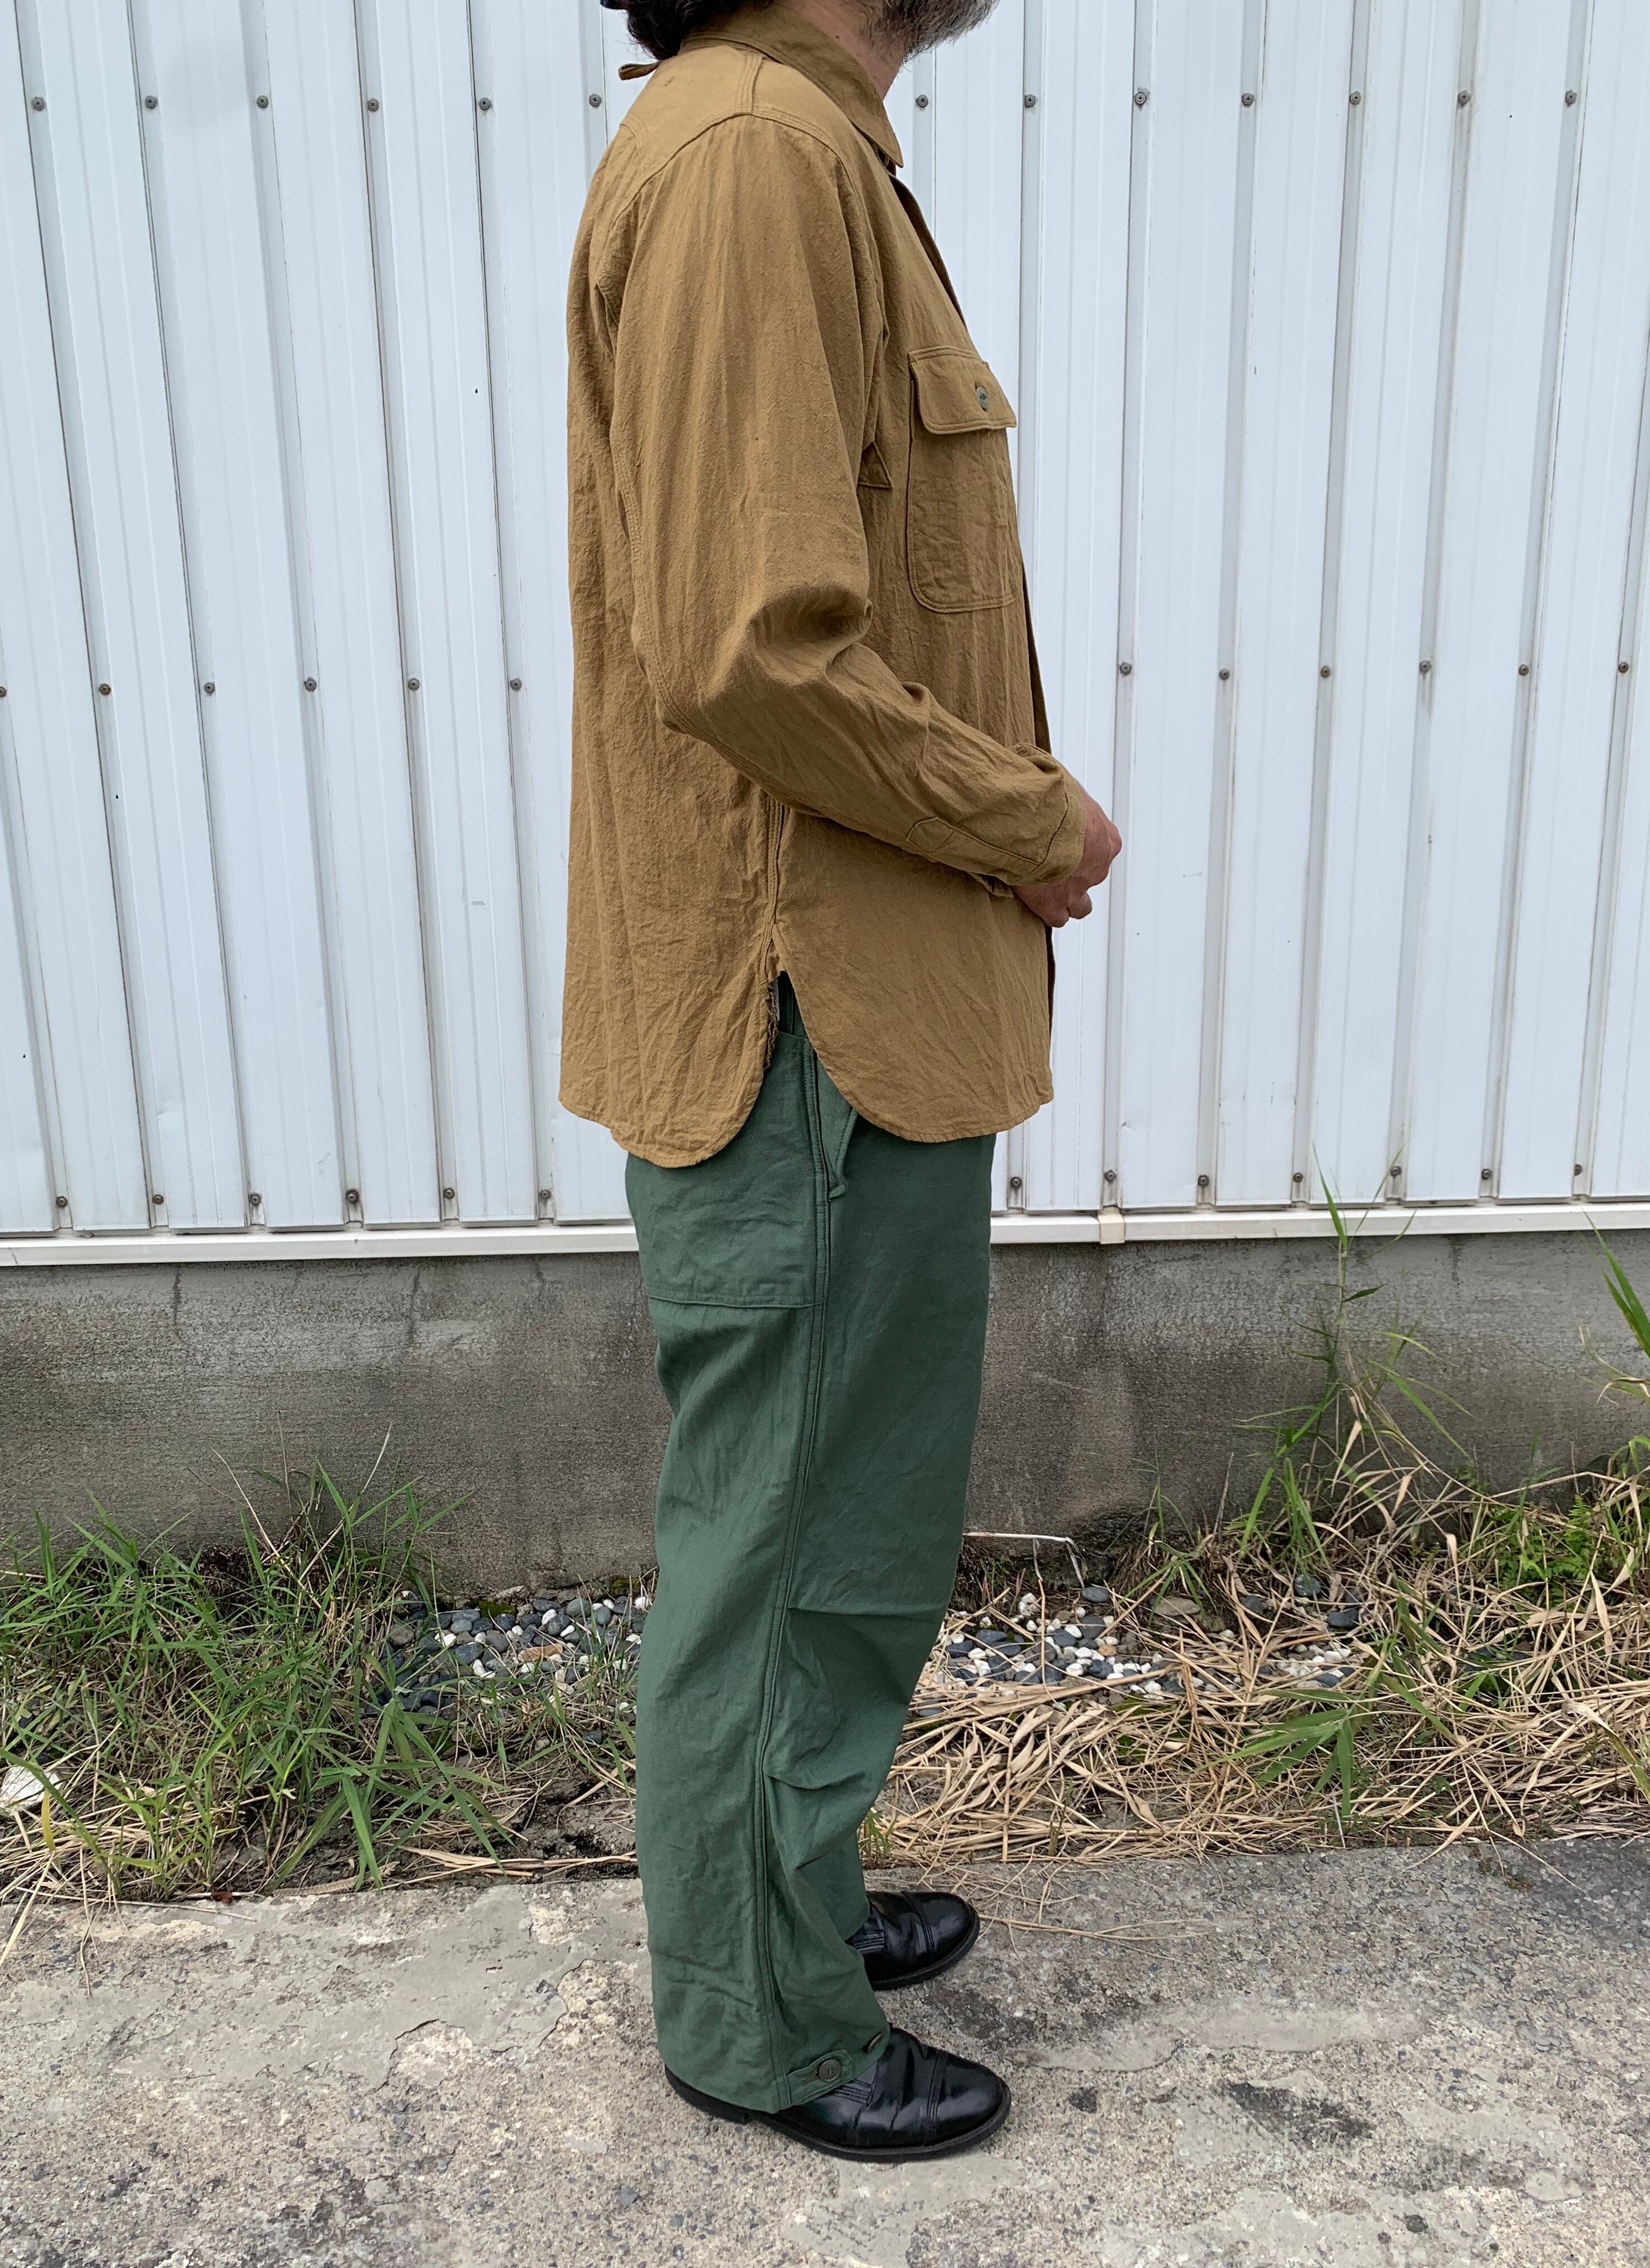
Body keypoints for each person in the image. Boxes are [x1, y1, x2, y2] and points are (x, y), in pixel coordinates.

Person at [564, 0, 1122, 2162]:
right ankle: (754, 2014)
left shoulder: (805, 148)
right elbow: (752, 647)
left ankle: (779, 1891)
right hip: (804, 1007)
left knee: (844, 1518)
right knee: (792, 1536)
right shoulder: (748, 159)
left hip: (847, 1000)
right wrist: (1027, 819)